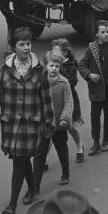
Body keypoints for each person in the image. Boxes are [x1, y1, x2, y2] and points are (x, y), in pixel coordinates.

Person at [0, 26, 55, 214]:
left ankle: (12, 204)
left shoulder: (40, 71)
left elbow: (46, 99)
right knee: (21, 158)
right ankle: (32, 187)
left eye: (28, 44)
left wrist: (49, 124)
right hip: (11, 124)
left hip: (31, 125)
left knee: (19, 160)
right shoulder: (5, 70)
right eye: (21, 44)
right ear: (14, 47)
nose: (26, 48)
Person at [78, 20, 108, 156]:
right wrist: (89, 75)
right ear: (96, 34)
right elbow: (81, 65)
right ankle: (96, 141)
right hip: (96, 90)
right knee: (95, 115)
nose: (106, 35)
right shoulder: (91, 49)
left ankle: (105, 140)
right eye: (103, 32)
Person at [32, 50, 74, 192]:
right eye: (51, 65)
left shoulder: (64, 83)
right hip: (44, 124)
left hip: (59, 125)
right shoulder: (40, 81)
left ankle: (65, 173)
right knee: (40, 154)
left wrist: (64, 119)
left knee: (61, 149)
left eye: (57, 66)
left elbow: (69, 103)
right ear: (46, 66)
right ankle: (35, 185)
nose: (54, 69)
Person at [51, 38, 85, 163]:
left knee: (71, 128)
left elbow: (72, 82)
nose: (53, 55)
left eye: (56, 52)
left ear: (64, 53)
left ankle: (79, 146)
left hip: (69, 100)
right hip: (55, 100)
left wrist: (60, 69)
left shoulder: (70, 65)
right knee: (52, 129)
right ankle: (43, 158)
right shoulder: (52, 64)